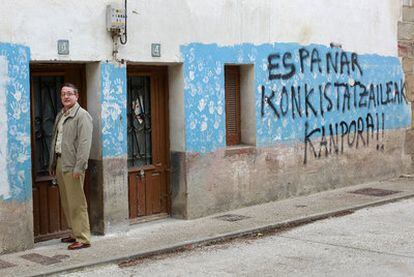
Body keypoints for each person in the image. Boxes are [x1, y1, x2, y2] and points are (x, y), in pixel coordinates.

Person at [49, 82, 93, 250]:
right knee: (67, 201)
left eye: (69, 93)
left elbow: (84, 144)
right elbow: (56, 140)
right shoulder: (61, 115)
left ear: (77, 96)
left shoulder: (82, 116)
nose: (65, 97)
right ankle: (75, 233)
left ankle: (83, 238)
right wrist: (53, 162)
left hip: (74, 165)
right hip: (61, 162)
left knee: (77, 202)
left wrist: (79, 167)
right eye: (63, 94)